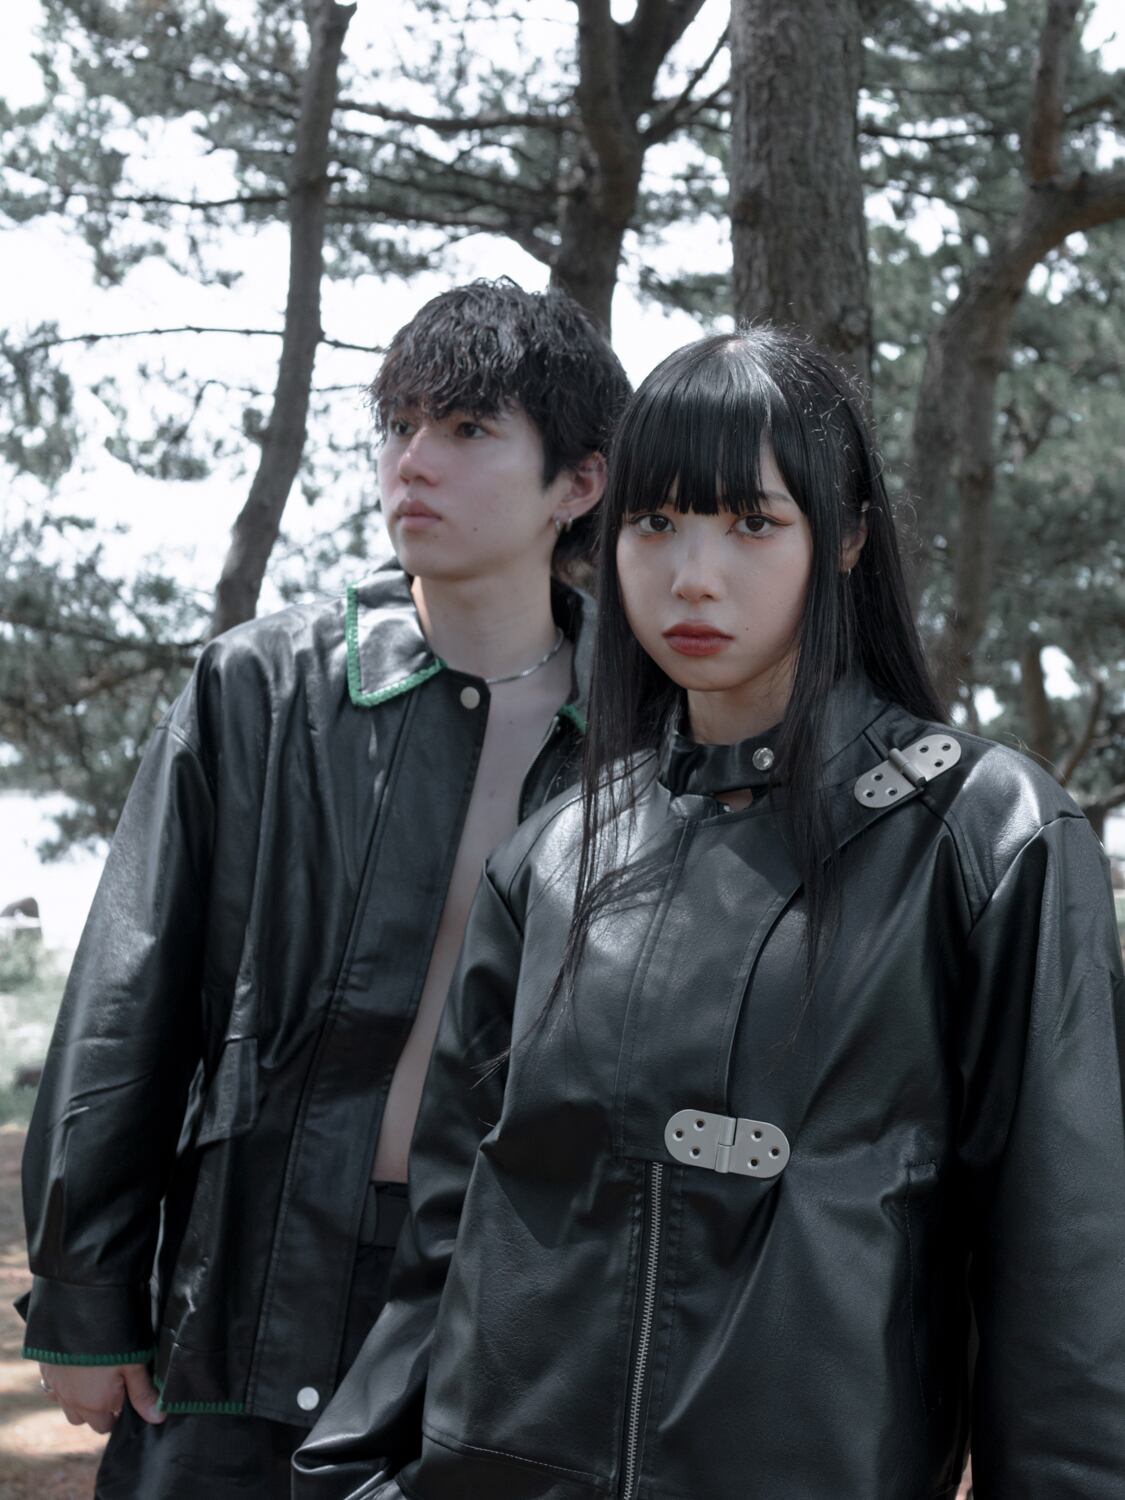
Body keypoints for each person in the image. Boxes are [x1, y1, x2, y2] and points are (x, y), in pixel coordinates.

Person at [294, 328, 1125, 1500]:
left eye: (750, 523)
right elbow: (447, 1239)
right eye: (654, 522)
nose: (691, 575)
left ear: (846, 536)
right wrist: (350, 1473)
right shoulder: (554, 856)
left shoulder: (986, 837)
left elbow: (1071, 1278)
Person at [19, 278, 630, 1497]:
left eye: (467, 429)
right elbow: (130, 995)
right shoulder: (260, 688)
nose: (413, 462)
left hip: (513, 1297)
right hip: (247, 1275)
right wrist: (85, 1287)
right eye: (399, 424)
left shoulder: (639, 730)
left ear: (579, 481)